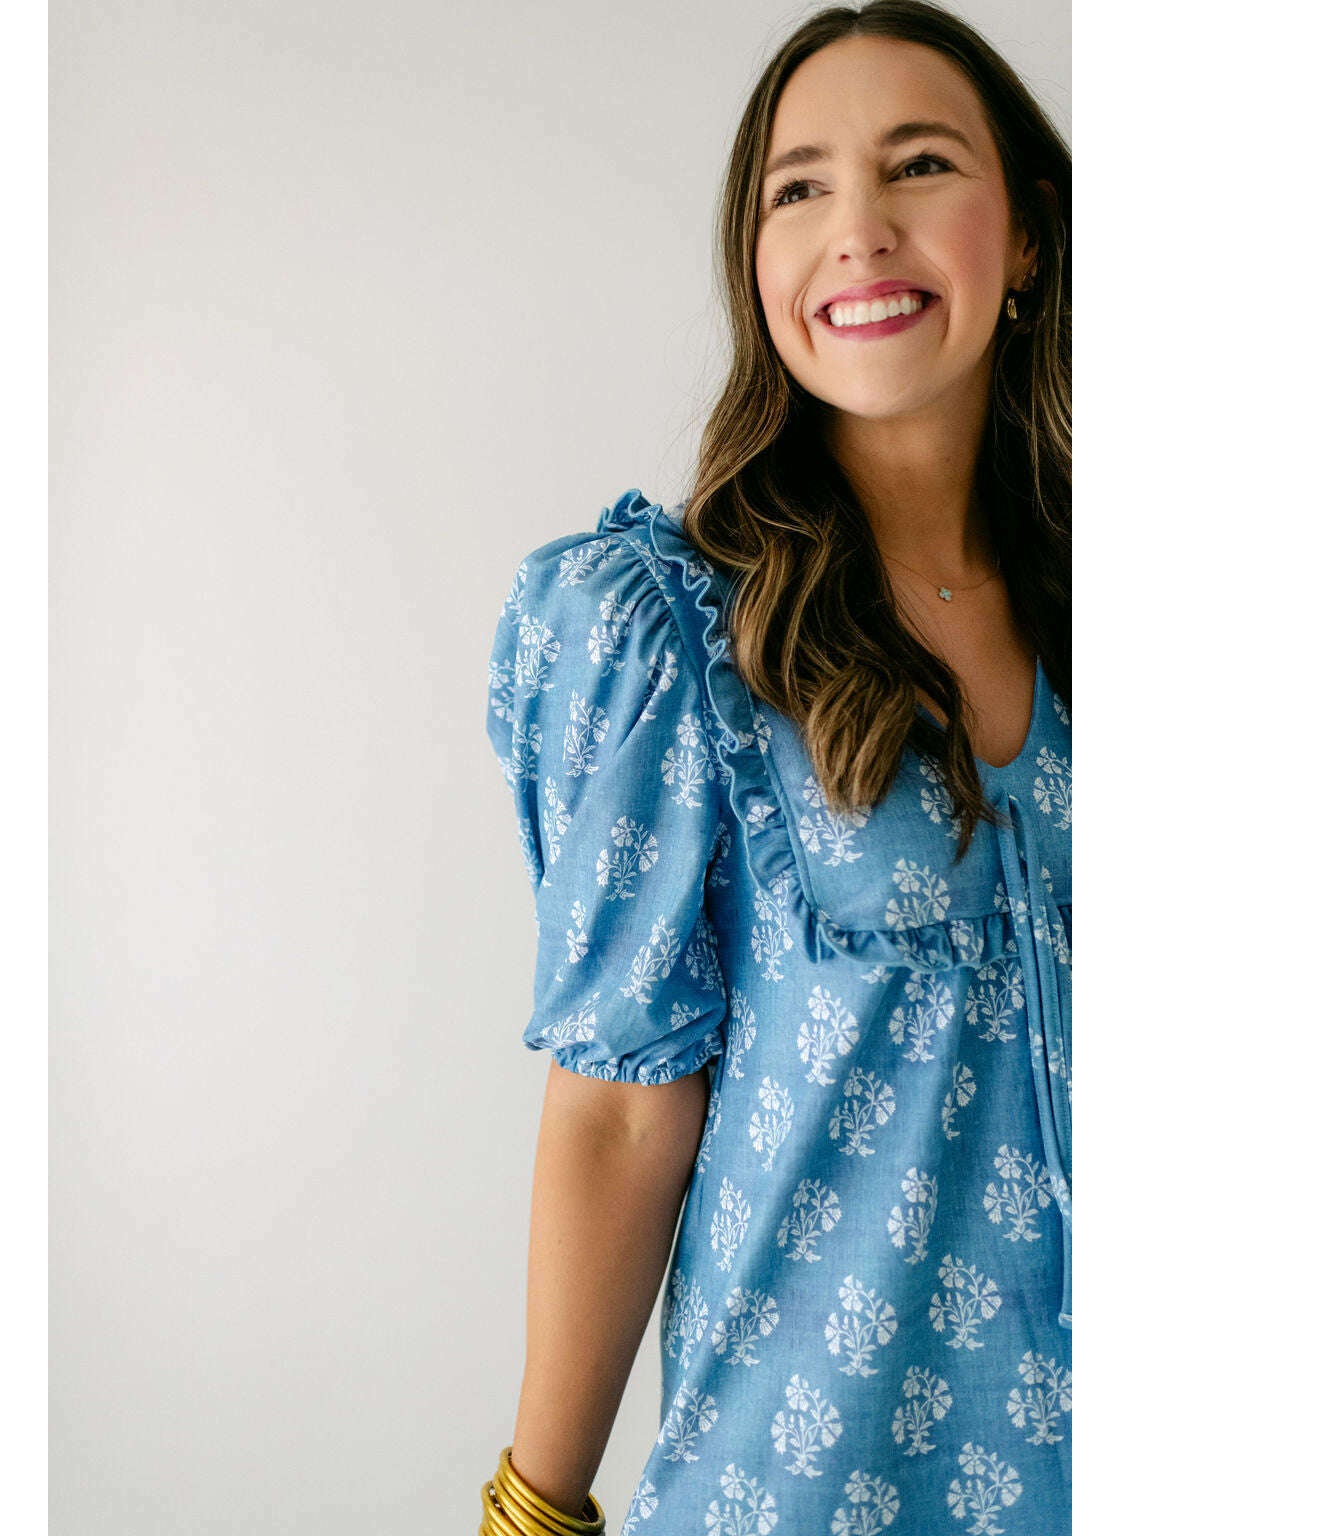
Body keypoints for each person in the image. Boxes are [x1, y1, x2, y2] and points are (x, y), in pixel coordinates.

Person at [479, 2, 1070, 1530]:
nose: (857, 227)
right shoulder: (671, 636)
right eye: (798, 188)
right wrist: (534, 1508)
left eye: (919, 165)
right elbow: (620, 1112)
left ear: (1024, 236)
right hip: (808, 1491)